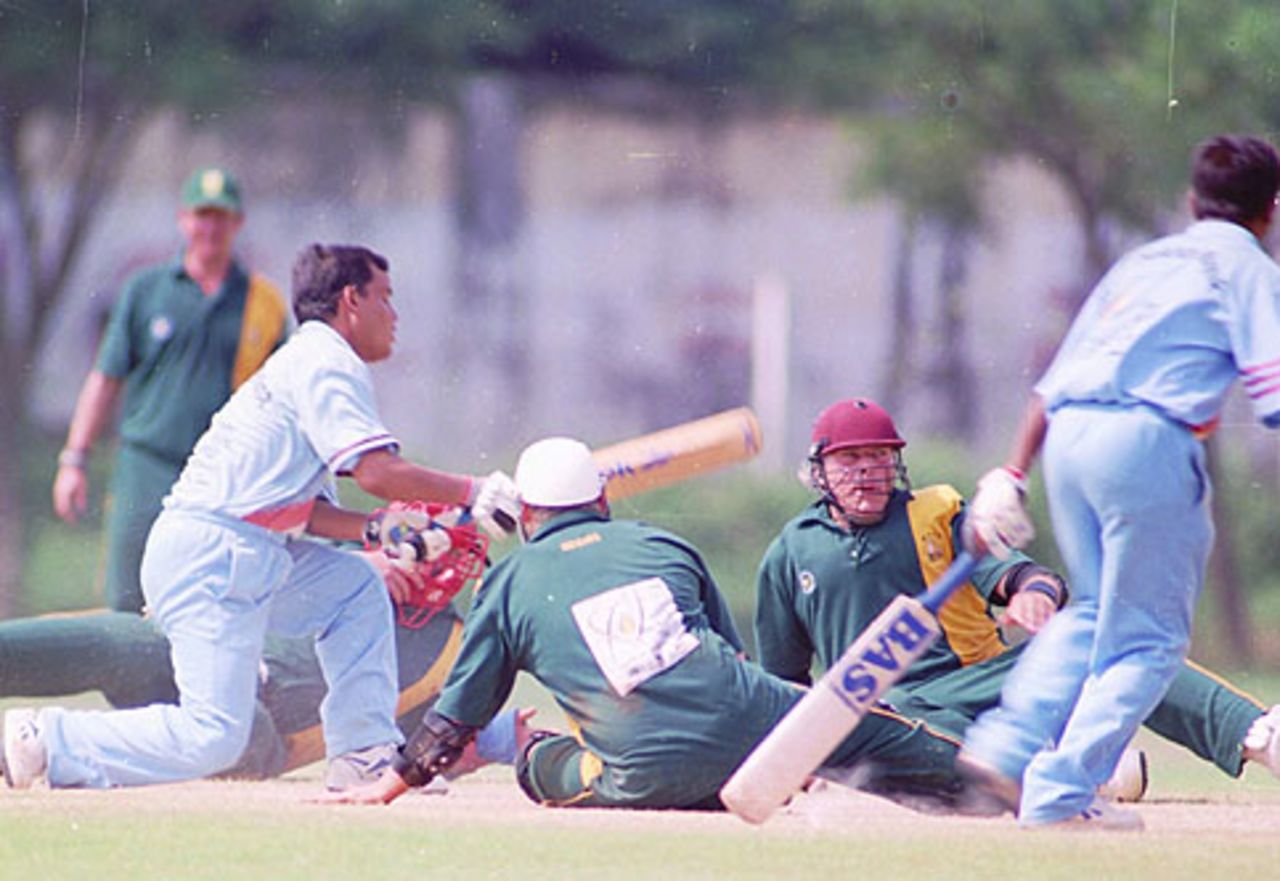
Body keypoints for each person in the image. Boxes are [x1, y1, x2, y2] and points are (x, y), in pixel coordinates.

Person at [2, 243, 519, 790]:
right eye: (385, 298)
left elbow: (300, 510)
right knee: (213, 736)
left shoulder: (306, 360)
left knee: (355, 588)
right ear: (351, 300)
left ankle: (362, 754)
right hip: (212, 555)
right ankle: (48, 738)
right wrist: (475, 489)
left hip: (246, 549)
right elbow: (374, 472)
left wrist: (379, 530)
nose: (394, 316)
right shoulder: (327, 362)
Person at [324, 436, 972, 811]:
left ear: (525, 516)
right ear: (602, 502)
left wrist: (387, 786)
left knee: (538, 762)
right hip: (756, 732)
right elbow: (736, 661)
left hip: (637, 774)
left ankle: (544, 753)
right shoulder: (662, 543)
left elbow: (455, 717)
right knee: (846, 721)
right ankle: (977, 769)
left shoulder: (508, 582)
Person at [960, 134, 1280, 830]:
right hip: (1148, 439)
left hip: (1068, 437)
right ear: (1270, 210)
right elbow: (1274, 393)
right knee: (1151, 639)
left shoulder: (1143, 263)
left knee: (1097, 610)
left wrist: (1009, 476)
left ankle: (1006, 745)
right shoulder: (1249, 269)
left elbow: (1051, 384)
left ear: (1192, 201)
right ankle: (1057, 794)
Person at [755, 397, 1279, 803]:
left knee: (1112, 643)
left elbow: (1013, 572)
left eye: (879, 456)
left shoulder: (934, 513)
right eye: (851, 459)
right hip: (890, 714)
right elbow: (785, 685)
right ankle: (1069, 771)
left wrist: (1034, 593)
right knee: (913, 750)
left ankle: (1257, 734)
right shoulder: (789, 552)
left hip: (985, 684)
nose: (867, 472)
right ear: (820, 469)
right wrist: (793, 757)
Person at [0, 553, 525, 788]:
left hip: (262, 731)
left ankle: (41, 743)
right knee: (117, 641)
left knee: (234, 722)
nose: (400, 544)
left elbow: (448, 734)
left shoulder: (450, 650)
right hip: (207, 652)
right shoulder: (345, 563)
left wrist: (510, 740)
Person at [53, 167, 290, 614]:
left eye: (222, 216)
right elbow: (105, 378)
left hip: (224, 475)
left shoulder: (262, 303)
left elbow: (282, 401)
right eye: (203, 215)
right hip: (147, 464)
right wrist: (74, 459)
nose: (211, 227)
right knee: (127, 597)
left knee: (213, 599)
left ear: (237, 223)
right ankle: (131, 688)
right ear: (184, 219)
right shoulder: (146, 290)